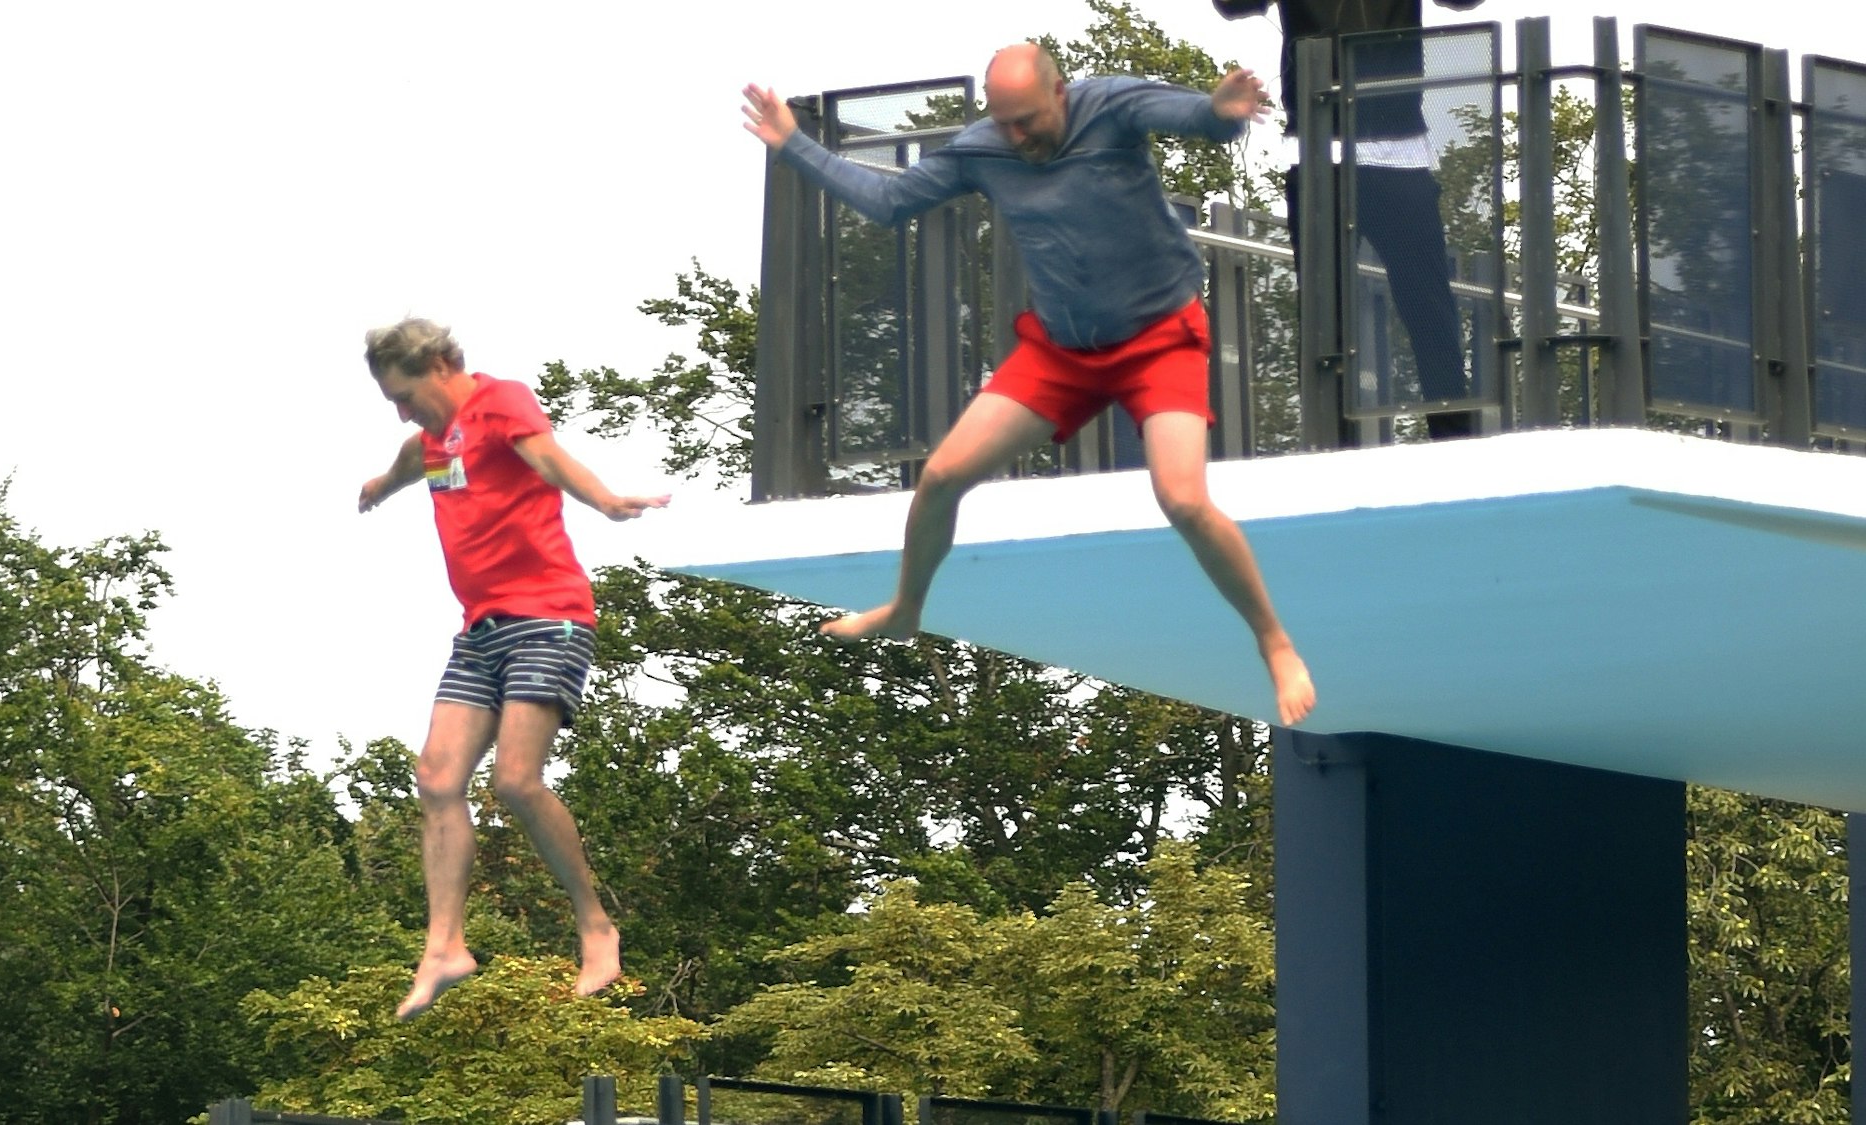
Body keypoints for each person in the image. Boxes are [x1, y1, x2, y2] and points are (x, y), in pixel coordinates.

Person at [743, 43, 1317, 726]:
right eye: (1004, 122)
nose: (1017, 137)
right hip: (1060, 351)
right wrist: (793, 143)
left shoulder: (1111, 106)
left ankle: (1274, 641)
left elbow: (1198, 118)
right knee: (941, 476)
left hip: (1159, 340)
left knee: (1184, 499)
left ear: (1060, 93)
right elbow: (891, 202)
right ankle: (905, 607)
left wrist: (1222, 112)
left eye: (1028, 120)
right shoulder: (983, 149)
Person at [356, 317, 669, 1017]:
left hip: (548, 617)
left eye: (405, 396)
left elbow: (548, 458)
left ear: (441, 367)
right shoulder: (431, 440)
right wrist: (381, 484)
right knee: (436, 778)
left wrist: (605, 499)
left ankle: (596, 927)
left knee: (516, 781)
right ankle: (445, 947)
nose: (403, 412)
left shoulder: (502, 402)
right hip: (481, 631)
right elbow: (411, 458)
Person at [1214, 0, 1485, 440]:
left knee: (1426, 313)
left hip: (1395, 152)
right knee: (1329, 320)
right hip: (1323, 151)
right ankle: (1336, 447)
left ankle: (1451, 440)